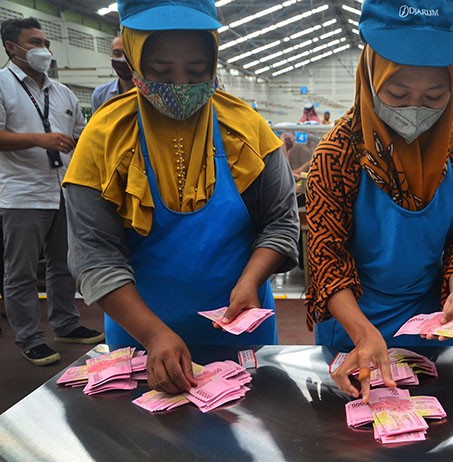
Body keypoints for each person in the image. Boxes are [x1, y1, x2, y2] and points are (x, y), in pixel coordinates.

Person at [63, 0, 299, 394]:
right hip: (141, 340)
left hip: (239, 334)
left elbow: (280, 223)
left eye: (197, 70)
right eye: (160, 71)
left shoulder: (246, 130)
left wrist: (250, 280)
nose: (180, 86)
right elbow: (95, 256)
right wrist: (153, 334)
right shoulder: (104, 139)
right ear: (134, 61)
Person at [305, 0, 453, 400]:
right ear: (371, 79)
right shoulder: (339, 153)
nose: (415, 110)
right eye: (398, 94)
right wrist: (363, 333)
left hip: (431, 328)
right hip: (352, 330)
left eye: (434, 96)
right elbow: (326, 259)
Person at [0, 17, 103, 366]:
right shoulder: (3, 85)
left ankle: (66, 324)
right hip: (22, 194)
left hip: (61, 190)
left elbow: (81, 134)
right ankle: (30, 338)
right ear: (11, 47)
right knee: (22, 271)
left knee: (63, 265)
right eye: (34, 42)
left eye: (46, 42)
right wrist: (39, 139)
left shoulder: (63, 93)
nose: (43, 49)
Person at [91, 36, 135, 113]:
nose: (123, 59)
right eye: (117, 54)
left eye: (128, 54)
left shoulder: (150, 94)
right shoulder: (100, 95)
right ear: (111, 55)